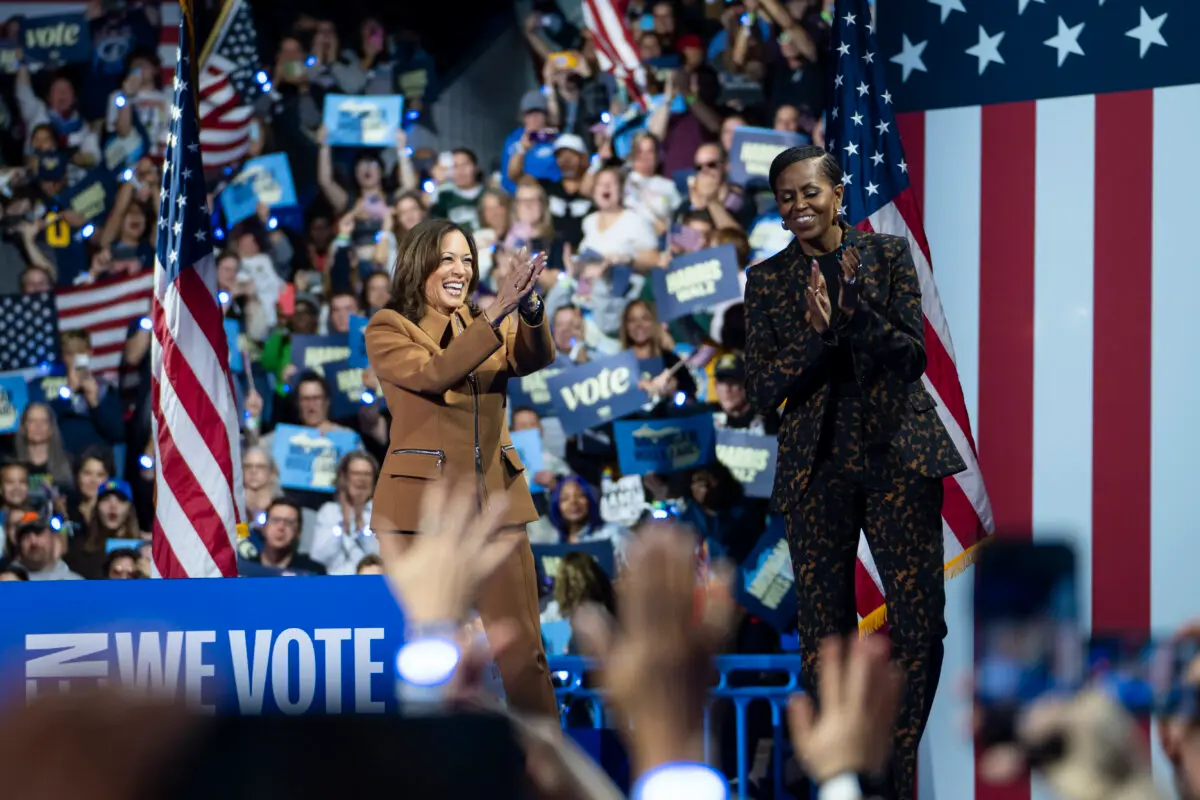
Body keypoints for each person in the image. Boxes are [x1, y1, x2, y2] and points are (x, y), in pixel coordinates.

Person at [743, 145, 966, 800]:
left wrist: (853, 315)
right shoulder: (766, 281)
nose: (798, 205)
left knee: (922, 625)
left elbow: (910, 358)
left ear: (838, 193)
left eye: (809, 191)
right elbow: (762, 387)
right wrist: (819, 338)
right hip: (818, 470)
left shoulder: (886, 258)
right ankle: (844, 768)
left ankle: (892, 771)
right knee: (823, 634)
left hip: (900, 456)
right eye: (785, 197)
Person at [365, 217, 557, 719]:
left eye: (468, 260)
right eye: (448, 258)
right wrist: (497, 313)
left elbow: (533, 358)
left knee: (525, 656)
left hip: (497, 506)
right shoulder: (389, 328)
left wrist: (530, 305)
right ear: (419, 264)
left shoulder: (482, 320)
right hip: (423, 513)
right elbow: (436, 375)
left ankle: (546, 780)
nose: (460, 270)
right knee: (435, 654)